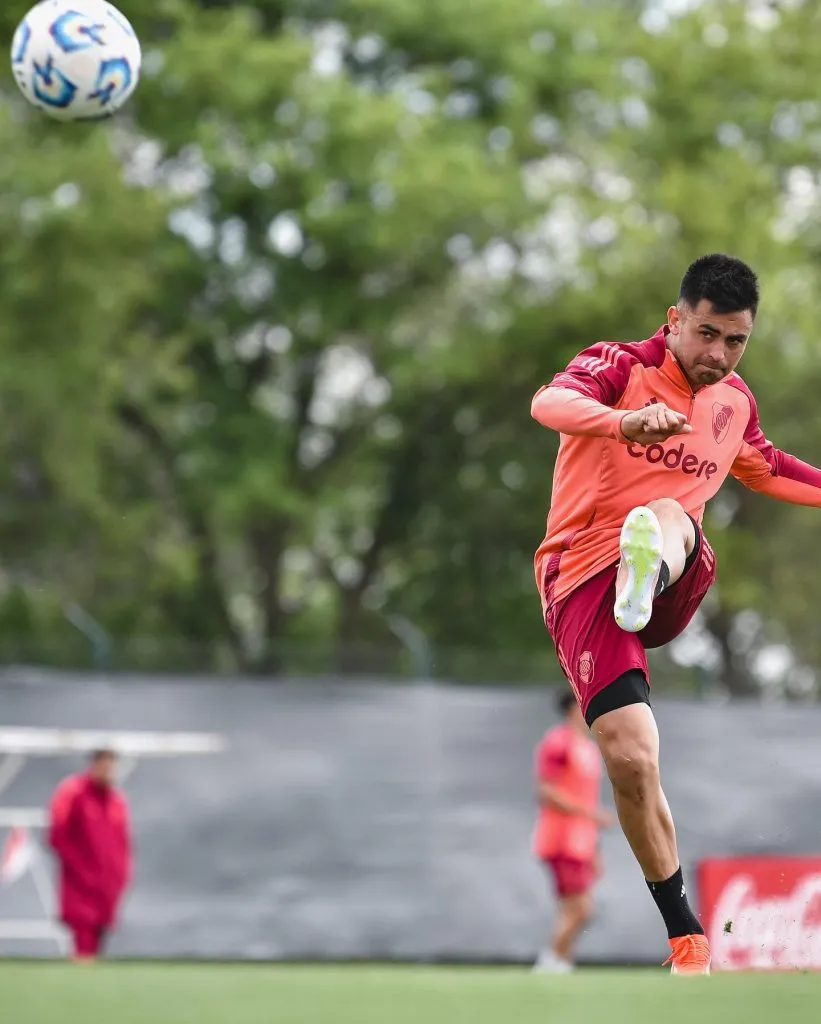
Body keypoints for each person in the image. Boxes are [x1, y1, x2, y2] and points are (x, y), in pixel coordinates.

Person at [531, 253, 821, 975]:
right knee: (631, 758)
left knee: (665, 511)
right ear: (674, 319)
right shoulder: (617, 364)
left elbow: (769, 467)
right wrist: (623, 423)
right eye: (705, 333)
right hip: (580, 579)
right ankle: (686, 940)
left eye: (735, 340)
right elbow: (548, 404)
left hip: (669, 570)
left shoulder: (733, 404)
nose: (718, 354)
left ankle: (648, 564)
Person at [532, 689, 613, 973]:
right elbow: (546, 791)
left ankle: (561, 965)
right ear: (573, 709)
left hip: (582, 842)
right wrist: (590, 814)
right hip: (561, 839)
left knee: (571, 910)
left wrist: (595, 849)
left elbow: (586, 798)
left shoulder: (588, 748)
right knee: (581, 909)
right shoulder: (558, 742)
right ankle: (549, 962)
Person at [48, 749, 132, 961]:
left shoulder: (117, 801)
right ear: (93, 765)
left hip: (107, 886)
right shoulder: (72, 792)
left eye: (112, 767)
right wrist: (82, 871)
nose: (108, 771)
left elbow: (123, 843)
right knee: (83, 937)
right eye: (104, 765)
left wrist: (122, 876)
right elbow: (57, 836)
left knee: (97, 938)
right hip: (81, 884)